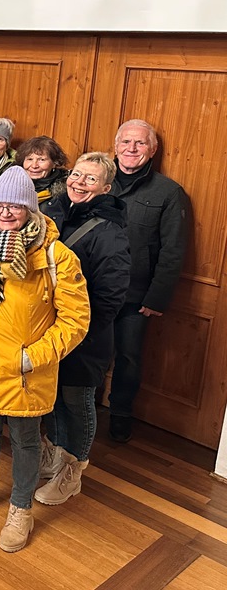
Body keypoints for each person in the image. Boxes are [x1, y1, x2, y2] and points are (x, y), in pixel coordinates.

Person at [0, 166, 89, 553]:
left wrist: (31, 358)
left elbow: (75, 321)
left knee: (25, 440)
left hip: (25, 371)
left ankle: (21, 508)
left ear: (30, 209)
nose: (5, 213)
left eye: (15, 206)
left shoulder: (56, 256)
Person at [38, 152, 130, 504]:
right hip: (50, 331)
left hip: (84, 336)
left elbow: (110, 295)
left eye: (91, 179)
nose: (79, 182)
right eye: (77, 174)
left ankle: (72, 472)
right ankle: (56, 454)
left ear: (106, 188)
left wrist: (78, 333)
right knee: (54, 397)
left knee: (77, 401)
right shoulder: (54, 213)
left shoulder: (109, 231)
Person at [107, 119, 188, 443]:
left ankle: (120, 415)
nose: (131, 148)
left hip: (135, 295)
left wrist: (157, 297)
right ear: (115, 147)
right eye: (126, 142)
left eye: (140, 143)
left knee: (128, 358)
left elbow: (173, 250)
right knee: (85, 353)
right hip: (91, 290)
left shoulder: (169, 192)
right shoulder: (98, 180)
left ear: (152, 150)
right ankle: (80, 413)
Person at [17, 135, 69, 205]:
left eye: (41, 160)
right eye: (30, 159)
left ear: (55, 163)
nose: (34, 166)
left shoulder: (65, 193)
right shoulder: (11, 188)